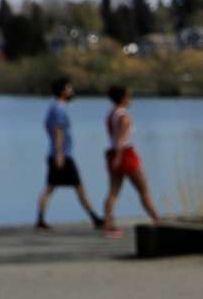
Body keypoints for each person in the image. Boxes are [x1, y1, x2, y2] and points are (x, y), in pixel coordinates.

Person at [37, 77, 101, 230]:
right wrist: (60, 155)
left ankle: (40, 219)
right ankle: (95, 217)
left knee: (50, 187)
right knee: (78, 187)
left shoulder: (54, 107)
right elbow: (58, 131)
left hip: (57, 154)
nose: (72, 91)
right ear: (63, 91)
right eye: (69, 88)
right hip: (62, 155)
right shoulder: (59, 108)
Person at [99, 84, 160, 237]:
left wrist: (115, 157)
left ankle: (107, 224)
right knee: (143, 190)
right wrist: (119, 158)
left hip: (113, 153)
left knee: (113, 191)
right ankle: (158, 220)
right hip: (125, 154)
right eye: (129, 96)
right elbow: (121, 139)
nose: (131, 99)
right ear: (123, 98)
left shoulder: (111, 113)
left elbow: (114, 138)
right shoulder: (124, 116)